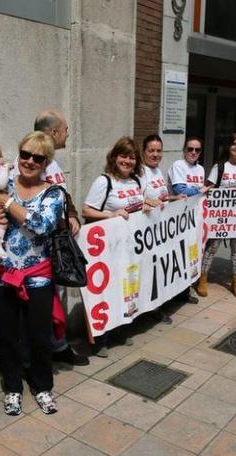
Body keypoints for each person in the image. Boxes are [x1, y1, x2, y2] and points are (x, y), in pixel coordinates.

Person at [0, 131, 65, 415]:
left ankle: (42, 386)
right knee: (7, 336)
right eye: (25, 154)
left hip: (37, 275)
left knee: (40, 336)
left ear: (46, 162)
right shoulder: (0, 183)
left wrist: (5, 203)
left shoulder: (54, 193)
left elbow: (42, 225)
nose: (29, 161)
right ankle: (13, 388)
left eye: (37, 157)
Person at [82, 136, 154, 356]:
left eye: (132, 157)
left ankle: (121, 329)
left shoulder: (137, 181)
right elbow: (86, 210)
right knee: (107, 290)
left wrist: (150, 205)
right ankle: (101, 339)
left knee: (126, 287)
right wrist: (111, 215)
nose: (128, 161)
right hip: (106, 248)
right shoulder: (104, 182)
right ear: (114, 157)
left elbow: (139, 204)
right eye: (123, 155)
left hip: (130, 246)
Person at [198, 132, 236, 299]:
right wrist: (193, 195)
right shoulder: (220, 167)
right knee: (212, 248)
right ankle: (202, 278)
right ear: (228, 147)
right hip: (220, 217)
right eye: (234, 144)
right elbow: (207, 187)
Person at [139, 134, 176, 323]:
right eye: (151, 150)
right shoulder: (141, 172)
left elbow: (163, 197)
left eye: (158, 151)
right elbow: (136, 199)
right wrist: (146, 202)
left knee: (159, 271)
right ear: (143, 152)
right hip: (147, 233)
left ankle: (157, 306)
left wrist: (177, 199)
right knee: (148, 273)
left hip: (161, 232)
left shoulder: (158, 171)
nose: (155, 154)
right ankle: (149, 310)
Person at [168, 136, 209, 304]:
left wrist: (198, 191)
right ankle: (174, 295)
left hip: (193, 220)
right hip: (177, 218)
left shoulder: (200, 169)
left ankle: (184, 292)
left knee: (189, 255)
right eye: (190, 149)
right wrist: (202, 189)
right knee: (177, 256)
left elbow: (195, 194)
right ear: (184, 150)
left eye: (197, 150)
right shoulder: (178, 166)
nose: (193, 152)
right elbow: (181, 191)